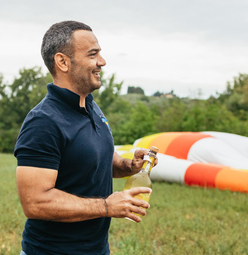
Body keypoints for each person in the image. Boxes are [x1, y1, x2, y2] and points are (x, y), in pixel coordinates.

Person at [14, 20, 157, 255]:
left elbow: (98, 160)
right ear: (63, 62)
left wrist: (130, 165)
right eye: (93, 54)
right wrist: (106, 206)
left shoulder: (91, 106)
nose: (102, 61)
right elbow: (35, 202)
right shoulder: (43, 121)